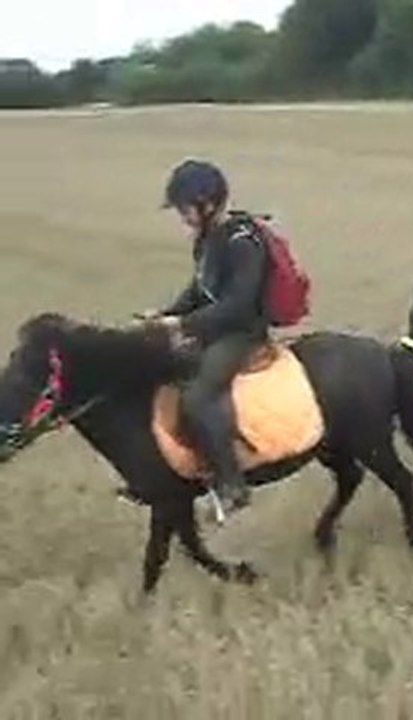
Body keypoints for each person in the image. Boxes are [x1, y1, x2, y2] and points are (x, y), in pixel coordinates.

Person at [149, 159, 270, 516]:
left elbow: (238, 305)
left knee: (200, 394)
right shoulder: (208, 239)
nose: (182, 217)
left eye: (184, 208)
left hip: (242, 334)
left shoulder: (243, 241)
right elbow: (199, 289)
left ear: (207, 203)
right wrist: (168, 315)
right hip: (215, 327)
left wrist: (184, 327)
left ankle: (232, 484)